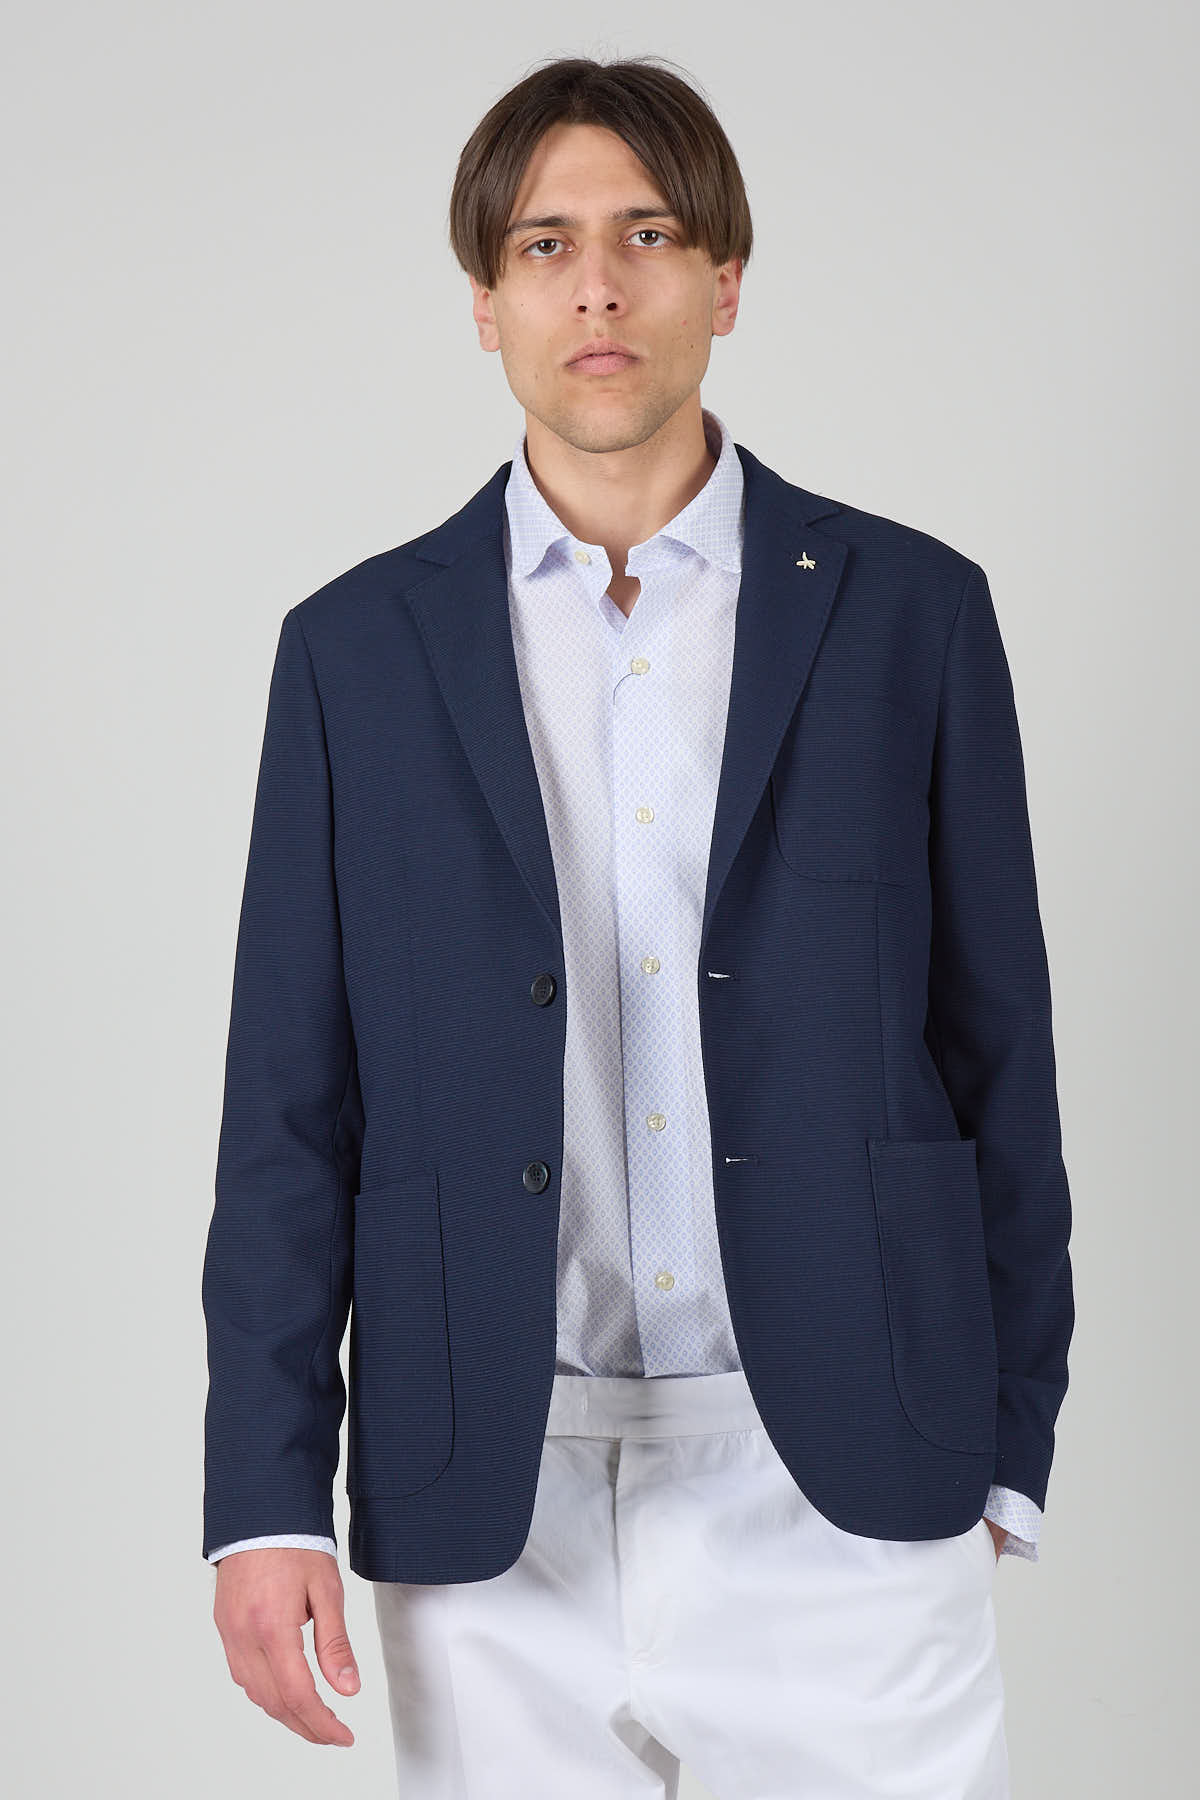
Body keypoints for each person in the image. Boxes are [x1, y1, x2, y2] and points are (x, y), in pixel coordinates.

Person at [202, 53, 1074, 1798]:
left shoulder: (910, 613)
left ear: (724, 279)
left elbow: (1000, 1050)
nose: (596, 285)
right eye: (544, 244)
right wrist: (262, 1500)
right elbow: (290, 1102)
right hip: (490, 1487)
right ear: (486, 301)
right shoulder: (354, 653)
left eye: (649, 234)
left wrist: (1007, 1441)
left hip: (845, 1471)